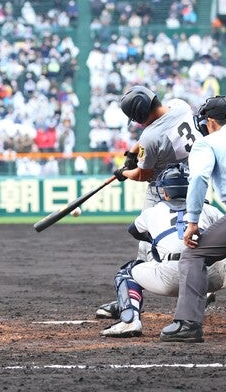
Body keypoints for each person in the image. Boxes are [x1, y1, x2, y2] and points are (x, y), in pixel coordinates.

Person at [96, 86, 202, 318]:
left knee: (146, 246)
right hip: (194, 185)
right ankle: (199, 286)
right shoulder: (180, 105)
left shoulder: (150, 137)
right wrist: (134, 153)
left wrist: (124, 173)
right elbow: (148, 141)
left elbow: (143, 174)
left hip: (162, 190)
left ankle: (129, 302)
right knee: (194, 238)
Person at [100, 163, 225, 338]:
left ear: (165, 192)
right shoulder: (209, 210)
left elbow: (134, 231)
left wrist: (160, 240)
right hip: (208, 277)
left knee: (126, 273)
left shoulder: (152, 212)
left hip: (168, 277)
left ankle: (130, 321)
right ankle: (204, 295)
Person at [161, 96, 226, 342]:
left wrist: (192, 222)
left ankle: (188, 323)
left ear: (210, 121)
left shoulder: (208, 143)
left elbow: (199, 179)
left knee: (194, 254)